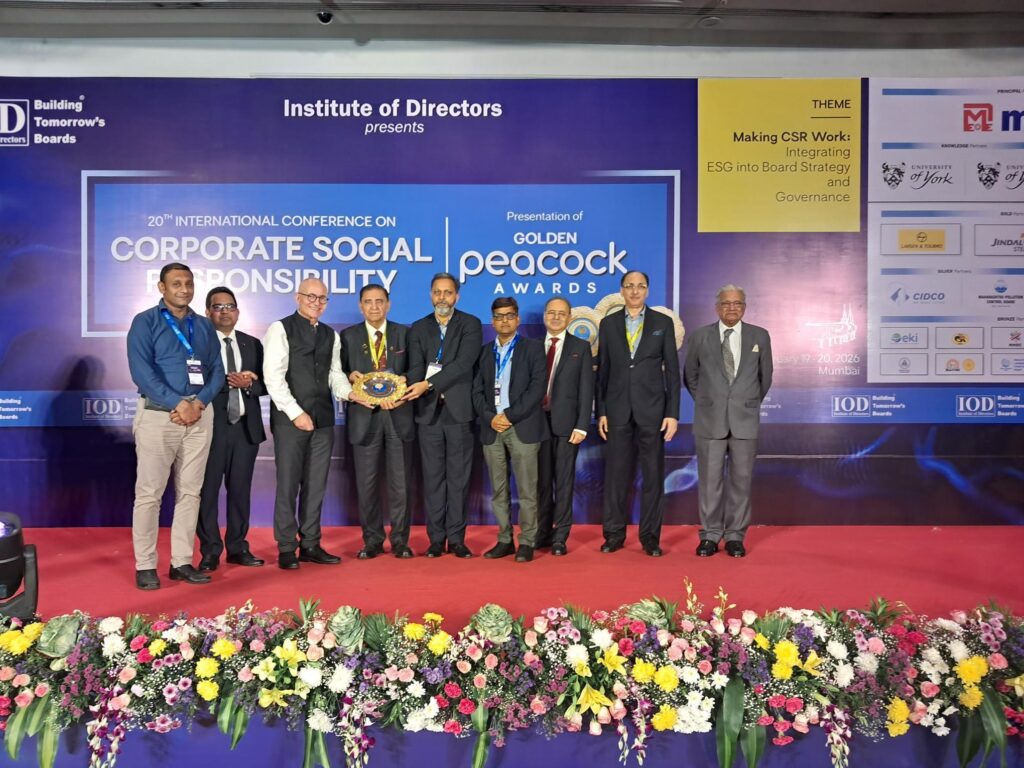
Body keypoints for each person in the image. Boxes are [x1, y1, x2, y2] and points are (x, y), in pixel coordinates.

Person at [127, 262, 225, 590]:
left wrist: (198, 403)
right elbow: (141, 372)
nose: (184, 289)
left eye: (189, 283)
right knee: (149, 494)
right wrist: (177, 403)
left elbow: (216, 370)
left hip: (200, 416)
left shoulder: (204, 325)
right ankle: (145, 564)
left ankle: (181, 561)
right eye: (176, 284)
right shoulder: (145, 322)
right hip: (159, 417)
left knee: (190, 492)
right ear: (162, 287)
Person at [264, 277, 362, 570]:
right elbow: (273, 377)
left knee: (316, 485)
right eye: (311, 297)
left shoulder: (331, 335)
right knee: (288, 485)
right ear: (298, 297)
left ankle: (310, 544)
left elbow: (335, 374)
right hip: (290, 422)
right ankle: (286, 547)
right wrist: (296, 413)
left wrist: (350, 393)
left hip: (323, 420)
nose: (316, 303)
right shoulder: (280, 329)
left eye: (322, 298)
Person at [684, 284, 772, 558]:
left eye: (737, 303)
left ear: (744, 307)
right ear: (717, 307)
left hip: (745, 420)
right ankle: (710, 535)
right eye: (726, 303)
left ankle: (735, 536)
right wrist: (710, 400)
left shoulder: (760, 335)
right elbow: (690, 376)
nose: (732, 308)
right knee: (709, 482)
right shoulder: (700, 336)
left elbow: (765, 378)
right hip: (710, 419)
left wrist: (745, 401)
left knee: (741, 482)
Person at [596, 270, 680, 557]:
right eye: (629, 286)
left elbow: (672, 371)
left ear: (647, 290)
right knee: (616, 476)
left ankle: (650, 537)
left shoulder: (662, 323)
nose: (634, 291)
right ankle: (614, 535)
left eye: (640, 286)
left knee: (653, 477)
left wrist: (672, 413)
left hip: (653, 411)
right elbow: (603, 371)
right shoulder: (608, 324)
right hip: (617, 410)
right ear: (621, 290)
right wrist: (602, 411)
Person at [402, 272, 483, 558]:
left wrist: (428, 384)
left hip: (459, 412)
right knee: (433, 479)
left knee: (458, 479)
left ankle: (457, 539)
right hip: (428, 413)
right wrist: (405, 383)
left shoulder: (470, 324)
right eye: (437, 292)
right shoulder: (418, 327)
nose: (442, 298)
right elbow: (415, 366)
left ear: (457, 296)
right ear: (430, 295)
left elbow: (463, 364)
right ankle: (436, 539)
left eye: (448, 292)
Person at [340, 284, 415, 559]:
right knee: (367, 484)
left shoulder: (405, 334)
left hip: (398, 415)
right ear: (360, 306)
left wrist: (405, 379)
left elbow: (417, 368)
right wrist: (349, 376)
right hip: (365, 417)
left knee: (400, 485)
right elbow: (337, 372)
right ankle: (372, 540)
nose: (374, 306)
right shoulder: (348, 336)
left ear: (388, 304)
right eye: (368, 302)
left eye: (379, 301)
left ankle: (400, 541)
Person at [472, 297, 549, 563]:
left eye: (509, 315)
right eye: (499, 316)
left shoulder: (533, 348)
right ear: (492, 321)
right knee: (499, 490)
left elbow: (537, 388)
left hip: (522, 426)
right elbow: (476, 391)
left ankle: (527, 541)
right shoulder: (483, 352)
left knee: (527, 490)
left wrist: (509, 416)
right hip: (492, 428)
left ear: (517, 319)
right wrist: (491, 417)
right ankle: (504, 539)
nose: (504, 321)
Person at [196, 286, 267, 572]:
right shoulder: (198, 345)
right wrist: (224, 382)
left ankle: (238, 547)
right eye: (218, 307)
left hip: (245, 429)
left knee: (240, 491)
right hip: (210, 428)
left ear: (238, 311)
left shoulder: (252, 344)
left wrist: (249, 383)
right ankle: (210, 550)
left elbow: (267, 384)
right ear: (207, 312)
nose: (225, 312)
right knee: (208, 492)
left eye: (230, 307)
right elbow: (191, 382)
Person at [534, 297, 594, 556]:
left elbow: (586, 389)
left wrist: (582, 425)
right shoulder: (533, 347)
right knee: (542, 483)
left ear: (569, 318)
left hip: (568, 426)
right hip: (537, 425)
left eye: (561, 313)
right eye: (551, 312)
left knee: (564, 482)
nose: (556, 317)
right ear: (544, 316)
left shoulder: (580, 347)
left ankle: (560, 536)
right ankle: (542, 532)